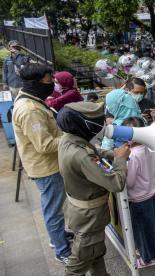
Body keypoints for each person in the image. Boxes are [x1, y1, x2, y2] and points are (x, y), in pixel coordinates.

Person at [56, 102, 132, 275]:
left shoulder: (69, 139)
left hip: (79, 211)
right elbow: (116, 183)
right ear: (84, 125)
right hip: (90, 217)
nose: (102, 125)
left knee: (96, 252)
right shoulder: (81, 156)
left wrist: (113, 153)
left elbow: (93, 152)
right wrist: (120, 160)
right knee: (81, 260)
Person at [12, 63, 71, 264]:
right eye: (49, 80)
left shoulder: (32, 98)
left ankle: (59, 237)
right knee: (53, 209)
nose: (52, 84)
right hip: (46, 168)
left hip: (48, 164)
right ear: (35, 83)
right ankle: (62, 250)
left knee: (54, 206)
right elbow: (44, 145)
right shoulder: (30, 110)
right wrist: (72, 138)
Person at [123, 117, 155, 268]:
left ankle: (150, 258)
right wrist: (154, 180)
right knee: (150, 226)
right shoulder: (148, 148)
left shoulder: (133, 155)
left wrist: (121, 167)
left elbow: (129, 182)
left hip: (137, 199)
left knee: (142, 229)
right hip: (149, 195)